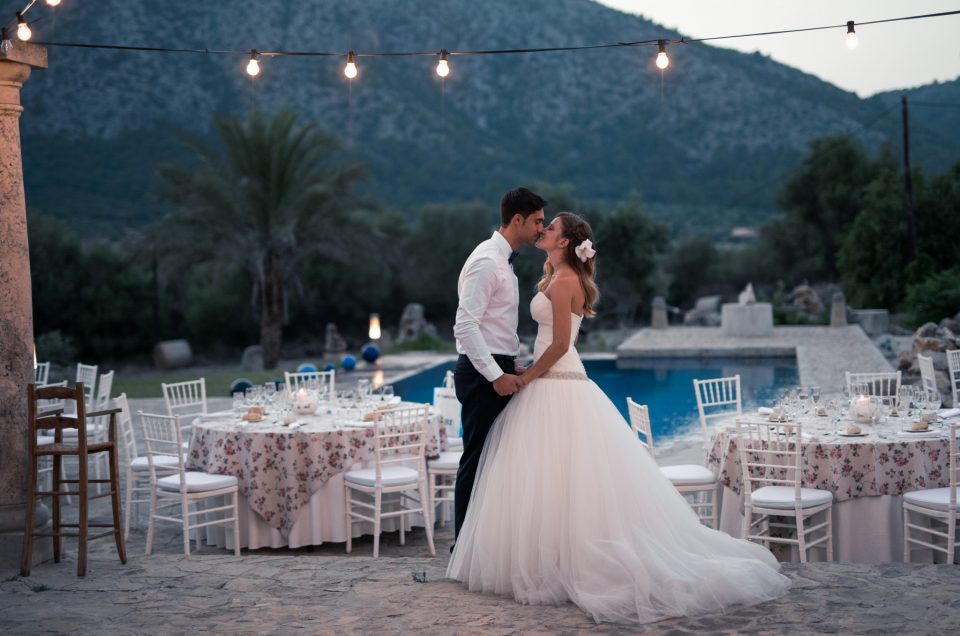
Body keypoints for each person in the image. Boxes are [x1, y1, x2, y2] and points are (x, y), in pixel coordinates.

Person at [447, 212, 790, 624]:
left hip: (556, 380)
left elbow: (557, 346)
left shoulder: (565, 281)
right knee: (553, 479)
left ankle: (565, 562)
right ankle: (554, 557)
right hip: (553, 379)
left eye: (550, 227)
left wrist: (525, 377)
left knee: (562, 477)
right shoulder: (557, 277)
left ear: (565, 241)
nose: (543, 230)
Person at [451, 187, 546, 544]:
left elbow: (496, 326)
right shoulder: (487, 261)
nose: (542, 228)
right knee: (476, 462)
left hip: (499, 366)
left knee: (497, 463)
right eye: (537, 221)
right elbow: (465, 325)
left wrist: (512, 364)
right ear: (517, 220)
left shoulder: (503, 261)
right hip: (482, 375)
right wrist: (495, 375)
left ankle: (488, 545)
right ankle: (463, 546)